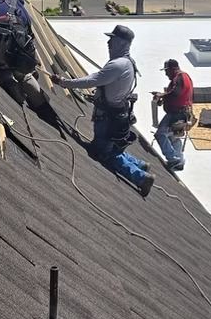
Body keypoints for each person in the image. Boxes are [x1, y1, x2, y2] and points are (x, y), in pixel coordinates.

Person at [50, 25, 156, 194]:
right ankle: (141, 165)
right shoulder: (127, 63)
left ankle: (141, 177)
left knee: (104, 153)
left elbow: (92, 80)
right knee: (111, 148)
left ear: (121, 42)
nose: (108, 42)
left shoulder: (118, 65)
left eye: (112, 39)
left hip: (108, 118)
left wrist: (64, 82)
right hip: (118, 115)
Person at [152, 58, 194, 171]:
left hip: (176, 114)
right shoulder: (184, 77)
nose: (166, 74)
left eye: (166, 70)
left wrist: (162, 95)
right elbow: (177, 94)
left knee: (160, 134)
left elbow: (176, 93)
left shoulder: (180, 77)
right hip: (183, 113)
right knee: (173, 137)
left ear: (172, 69)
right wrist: (164, 97)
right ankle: (179, 162)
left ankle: (173, 159)